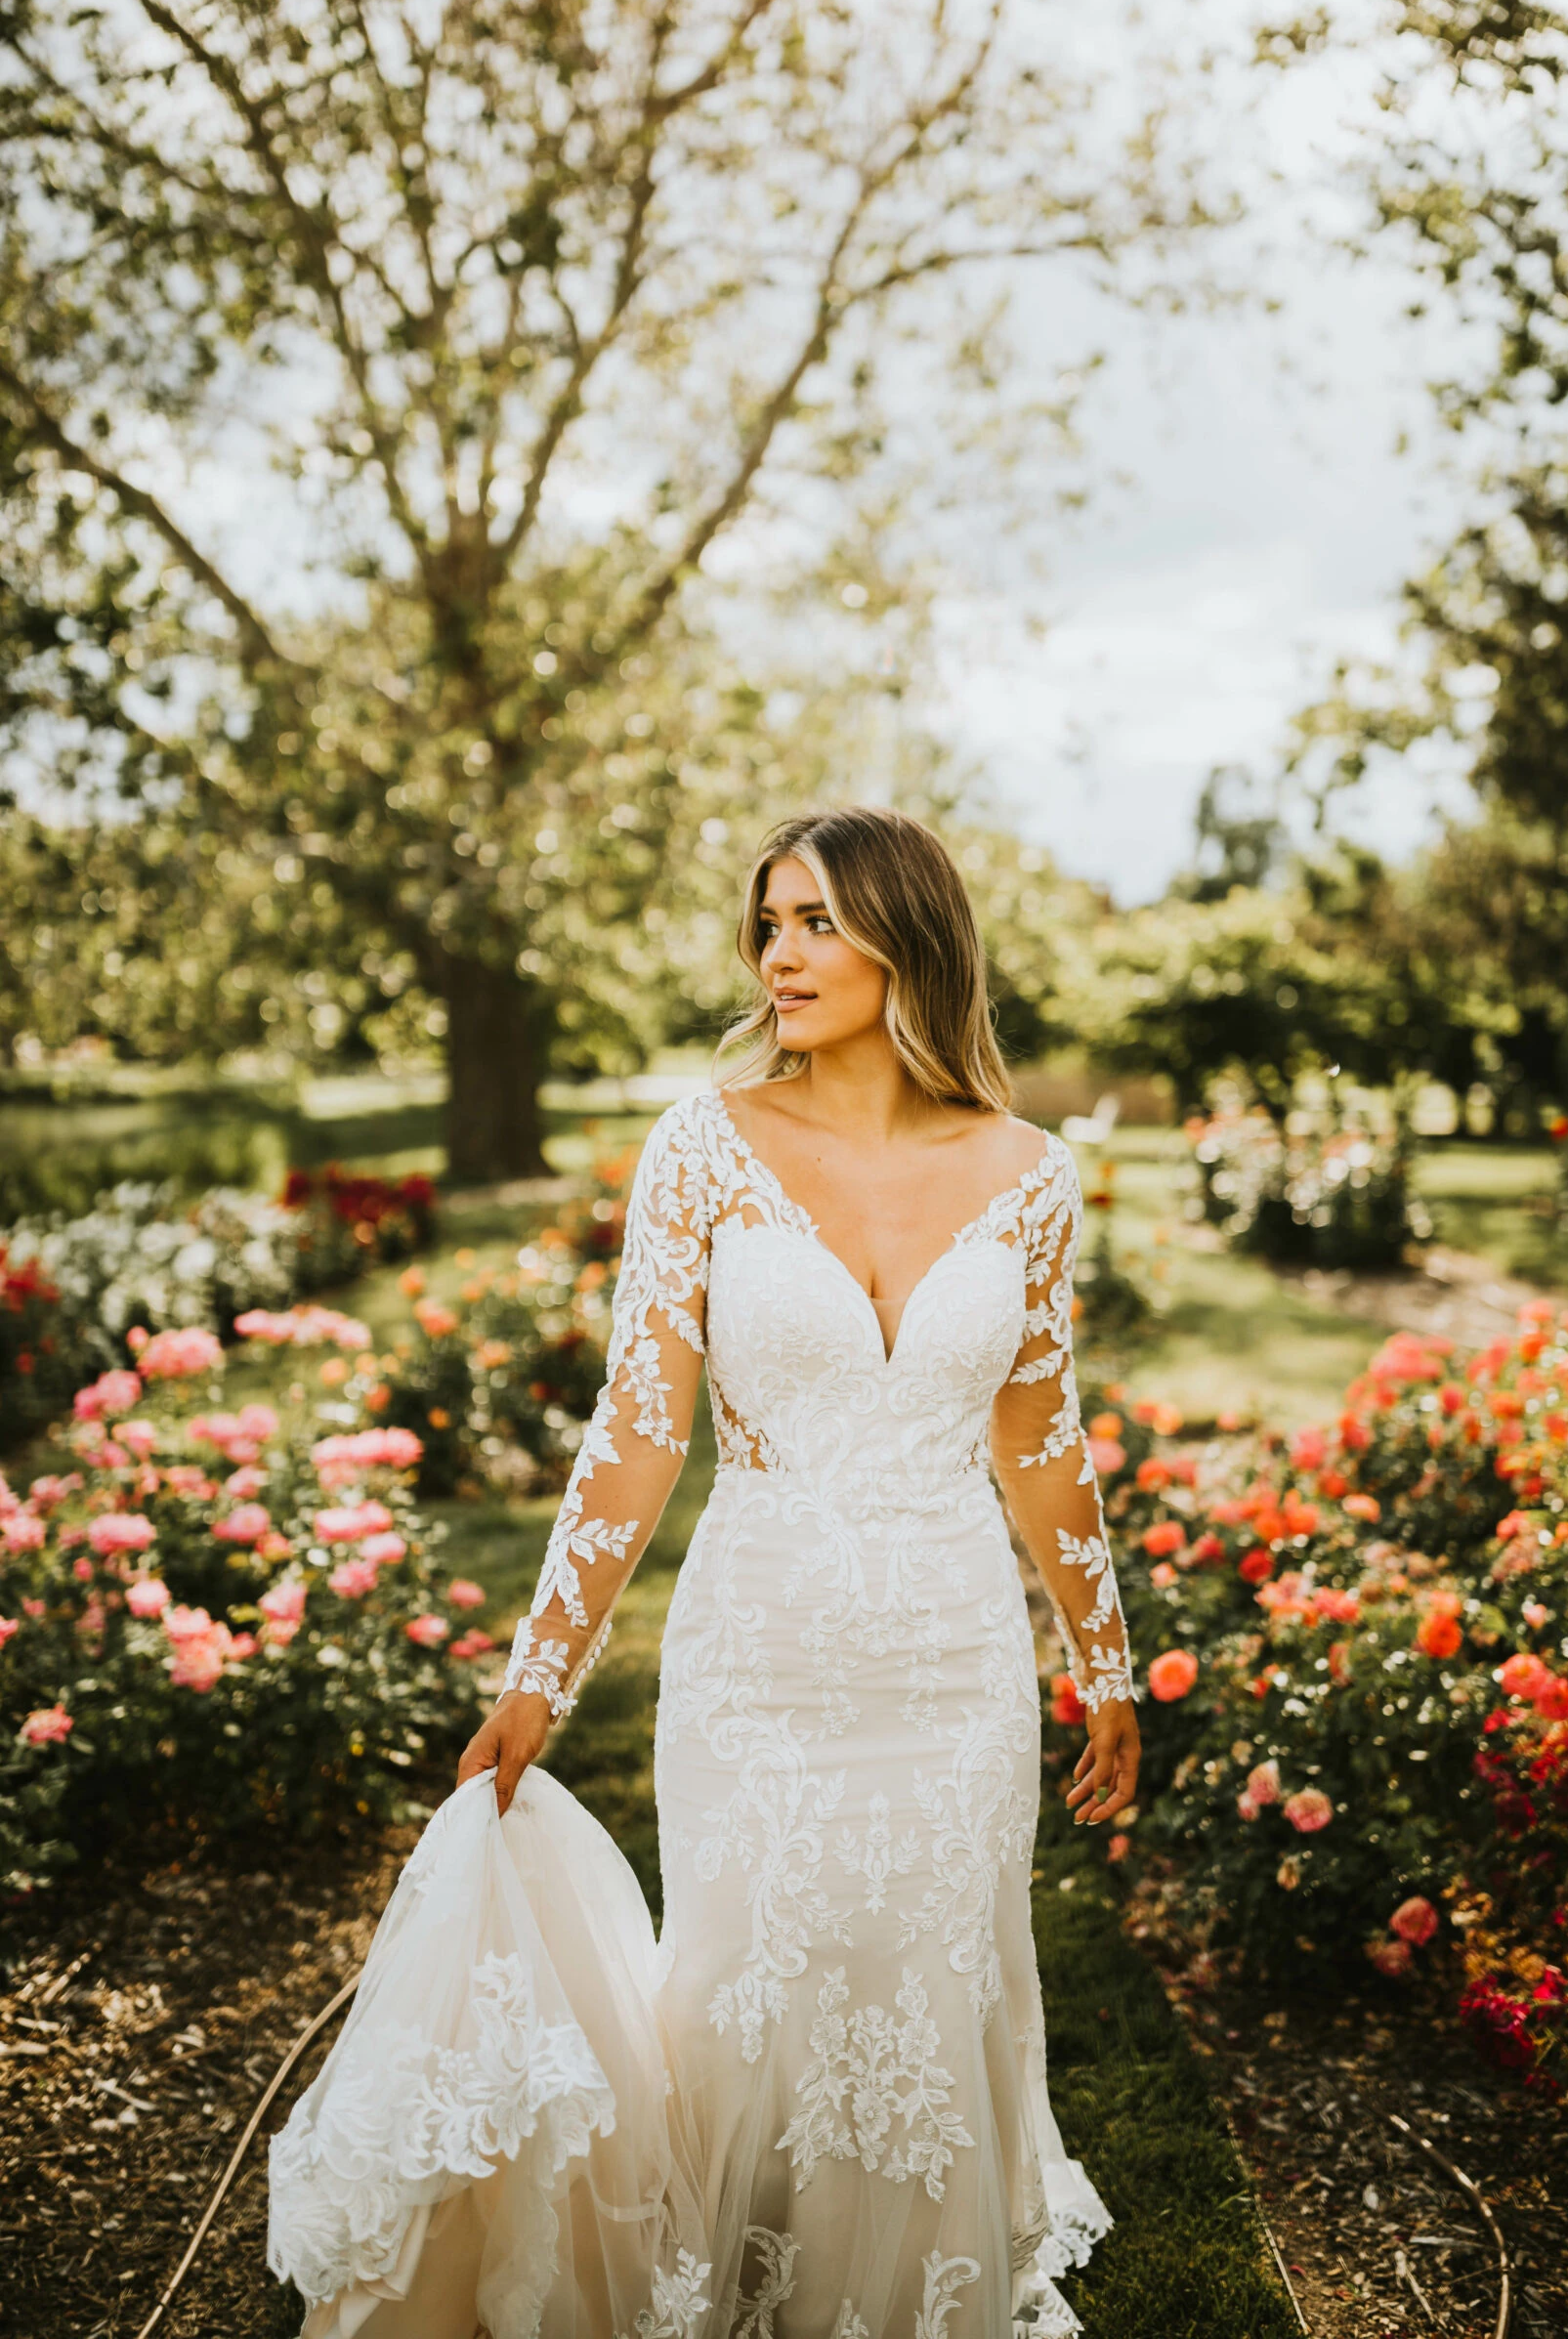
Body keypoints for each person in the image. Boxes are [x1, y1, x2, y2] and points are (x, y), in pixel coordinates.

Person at [270, 806, 1138, 2339]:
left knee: (937, 1976)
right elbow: (635, 1433)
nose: (780, 955)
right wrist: (541, 1672)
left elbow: (1040, 1431)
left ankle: (920, 2292)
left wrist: (1103, 1660)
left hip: (953, 1660)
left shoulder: (1031, 1175)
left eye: (816, 922)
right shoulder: (705, 1144)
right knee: (746, 1977)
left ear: (906, 937)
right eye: (769, 924)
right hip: (762, 1653)